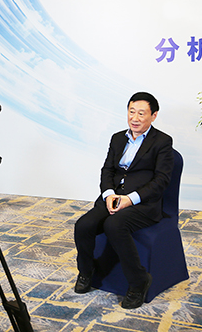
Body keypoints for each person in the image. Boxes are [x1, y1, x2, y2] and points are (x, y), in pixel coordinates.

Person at [74, 92, 174, 309]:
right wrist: (109, 194)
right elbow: (107, 170)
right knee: (83, 225)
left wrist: (130, 199)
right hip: (113, 198)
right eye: (131, 112)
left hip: (142, 203)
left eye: (141, 113)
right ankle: (87, 271)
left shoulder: (162, 142)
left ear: (154, 116)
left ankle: (139, 281)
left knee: (114, 225)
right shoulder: (118, 138)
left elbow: (161, 181)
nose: (134, 118)